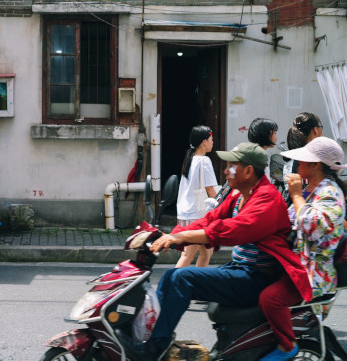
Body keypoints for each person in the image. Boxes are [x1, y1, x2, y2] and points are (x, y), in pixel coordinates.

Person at [134, 143, 312, 360]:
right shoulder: (239, 195)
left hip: (257, 278)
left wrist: (181, 237)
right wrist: (170, 235)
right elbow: (211, 219)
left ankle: (155, 348)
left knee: (182, 278)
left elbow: (233, 230)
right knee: (171, 276)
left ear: (248, 171)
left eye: (232, 166)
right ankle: (151, 339)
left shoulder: (267, 199)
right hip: (241, 270)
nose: (226, 171)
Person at [258, 137, 346, 360]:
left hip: (314, 273)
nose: (297, 164)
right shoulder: (309, 188)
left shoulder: (331, 194)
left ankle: (287, 347)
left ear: (316, 165)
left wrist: (296, 194)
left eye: (303, 160)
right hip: (293, 264)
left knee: (271, 299)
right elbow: (288, 222)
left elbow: (311, 226)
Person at [174, 126, 218, 268]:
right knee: (188, 255)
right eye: (211, 139)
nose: (213, 142)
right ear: (204, 142)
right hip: (197, 215)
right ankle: (171, 284)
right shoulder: (204, 161)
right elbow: (210, 189)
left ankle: (198, 284)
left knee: (206, 253)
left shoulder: (190, 160)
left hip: (186, 212)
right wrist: (222, 205)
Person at [215, 118, 278, 204]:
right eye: (274, 133)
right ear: (265, 135)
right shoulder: (257, 159)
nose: (226, 171)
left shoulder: (251, 154)